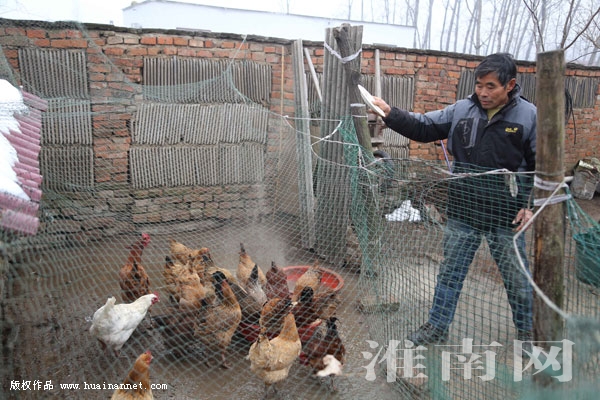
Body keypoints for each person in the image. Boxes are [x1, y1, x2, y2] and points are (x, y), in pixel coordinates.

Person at [371, 53, 536, 346]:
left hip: (506, 213)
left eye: (491, 86)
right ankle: (437, 327)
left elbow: (539, 165)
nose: (483, 92)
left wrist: (529, 204)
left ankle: (527, 333)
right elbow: (424, 127)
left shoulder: (528, 116)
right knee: (450, 272)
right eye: (479, 85)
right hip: (463, 208)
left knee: (516, 278)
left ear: (510, 85)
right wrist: (390, 113)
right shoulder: (462, 109)